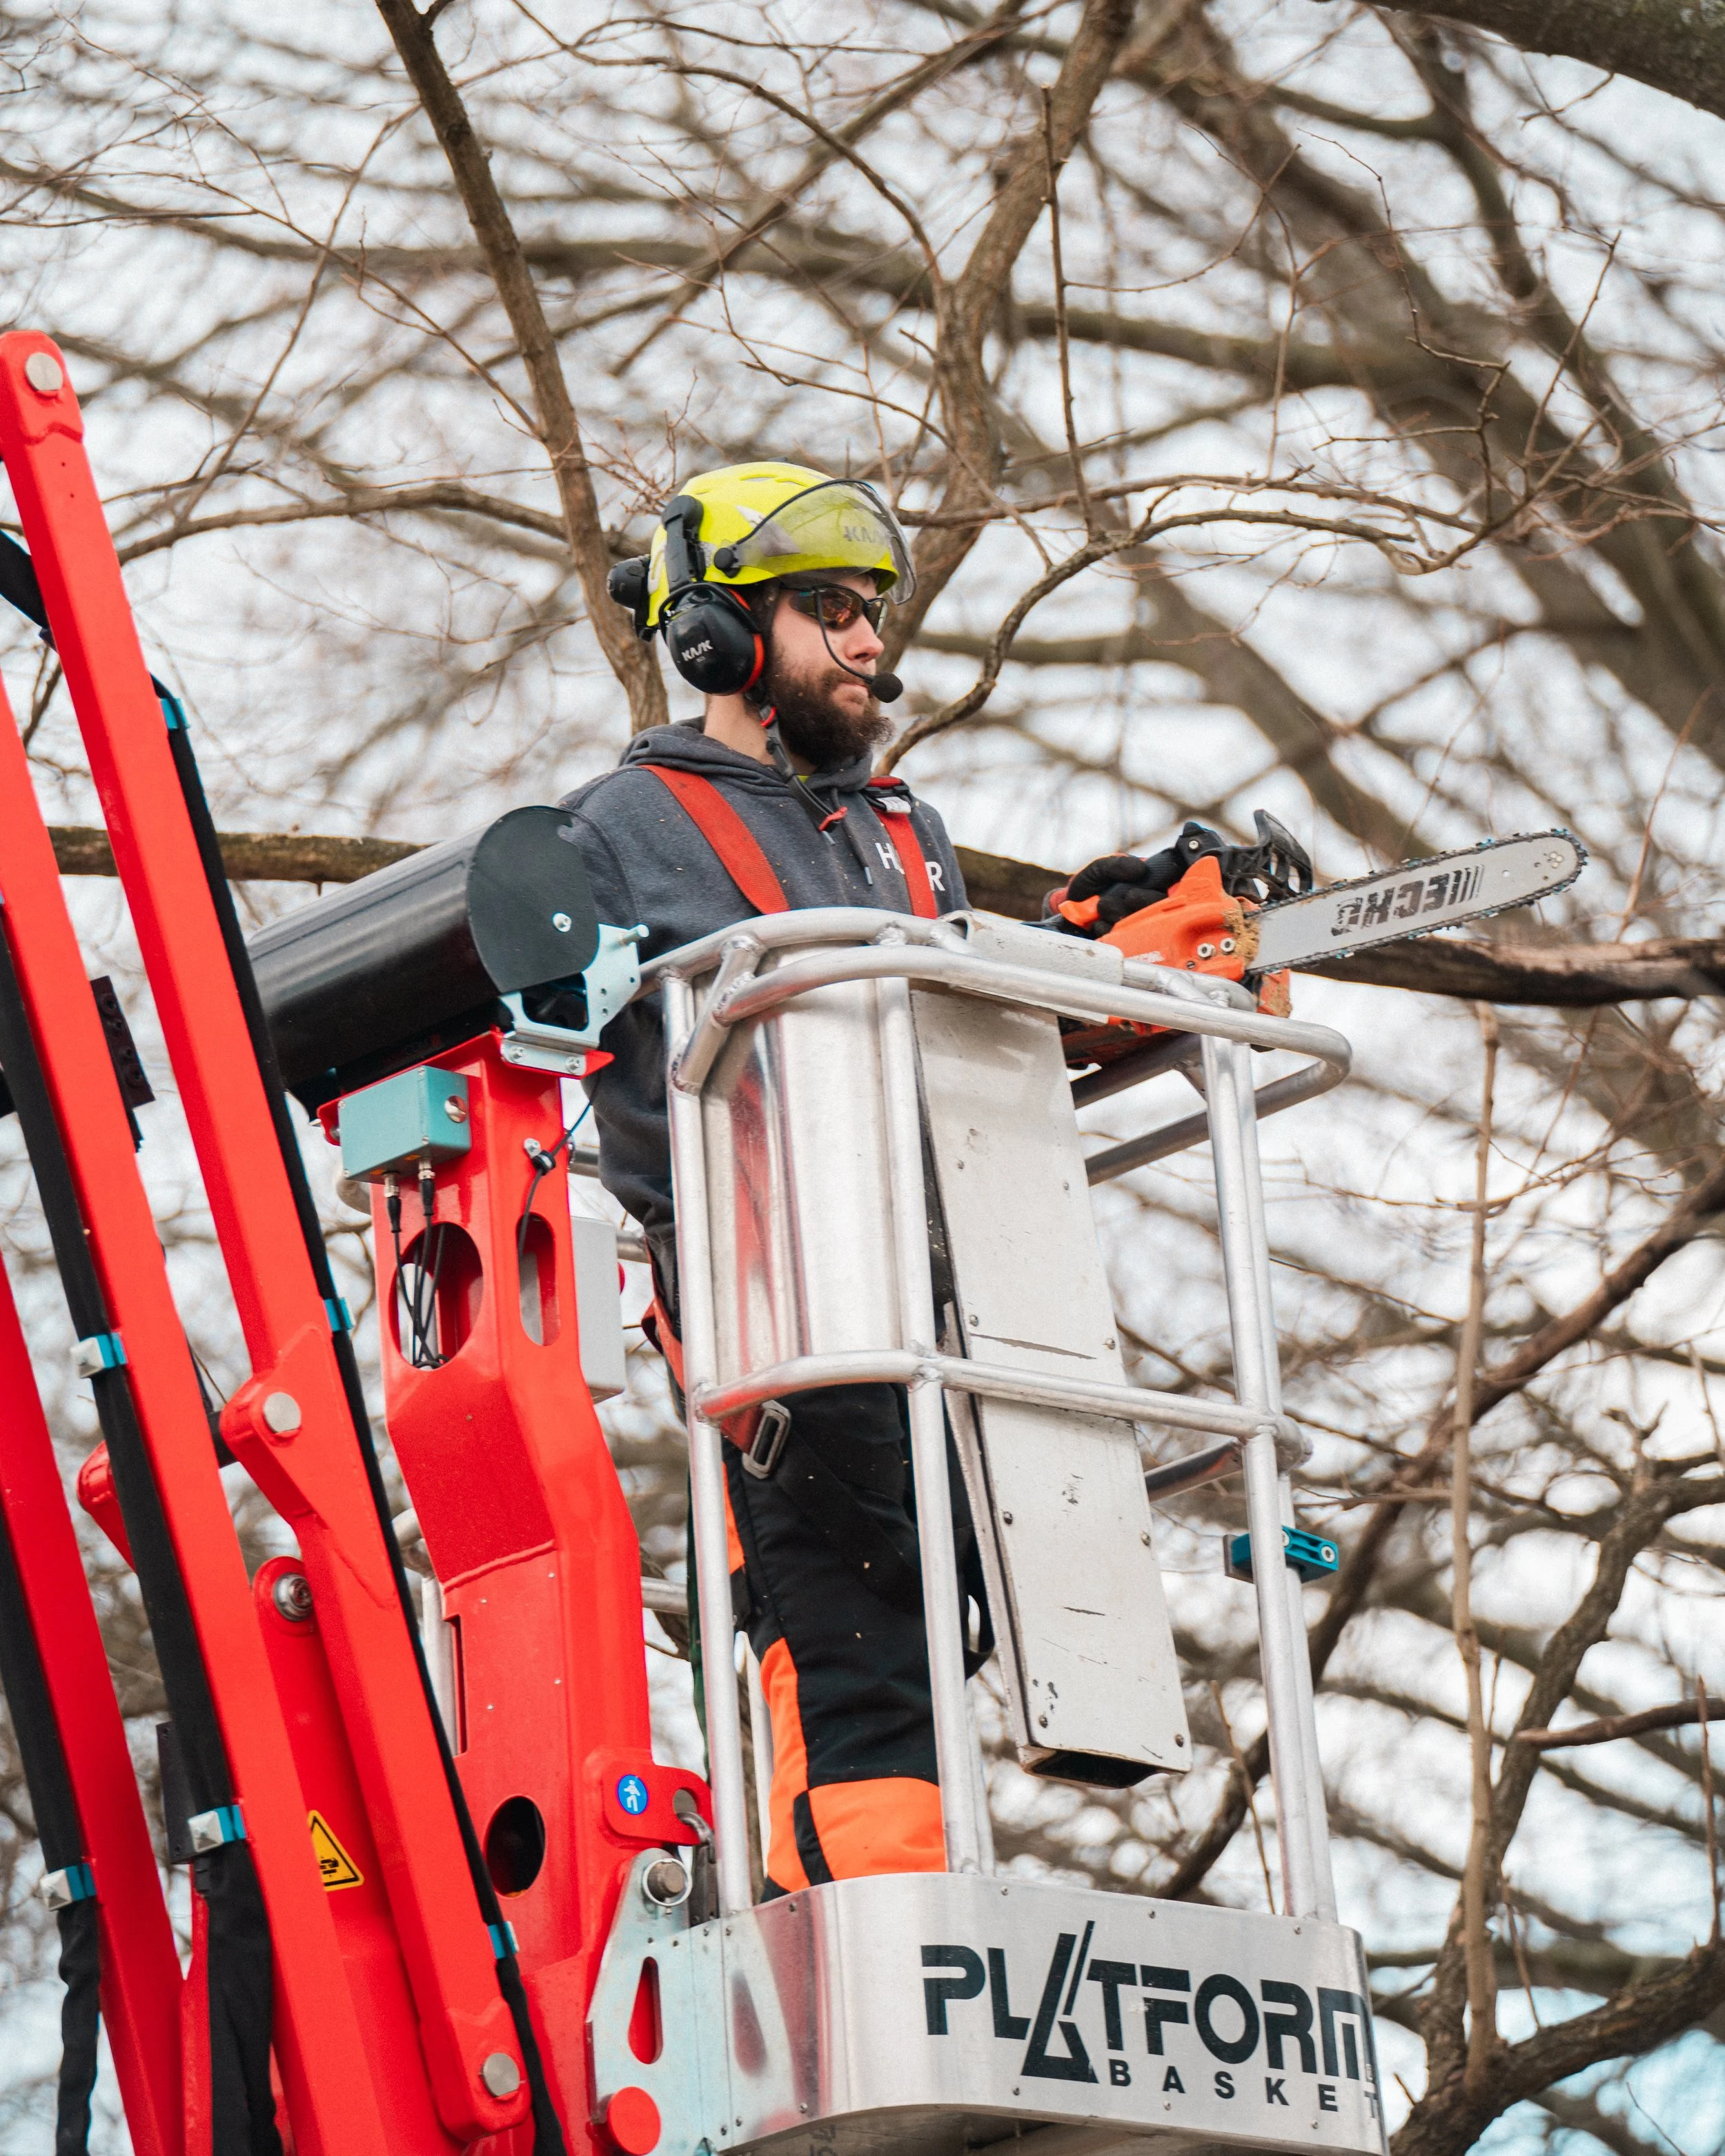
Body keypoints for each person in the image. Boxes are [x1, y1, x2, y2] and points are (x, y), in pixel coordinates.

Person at [558, 462, 978, 1896]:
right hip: (774, 1305)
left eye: (872, 611)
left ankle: (934, 1907)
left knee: (962, 1633)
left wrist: (1124, 955)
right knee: (845, 1644)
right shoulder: (622, 826)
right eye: (828, 611)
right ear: (717, 641)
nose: (868, 643)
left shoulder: (895, 827)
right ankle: (868, 1932)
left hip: (951, 1301)